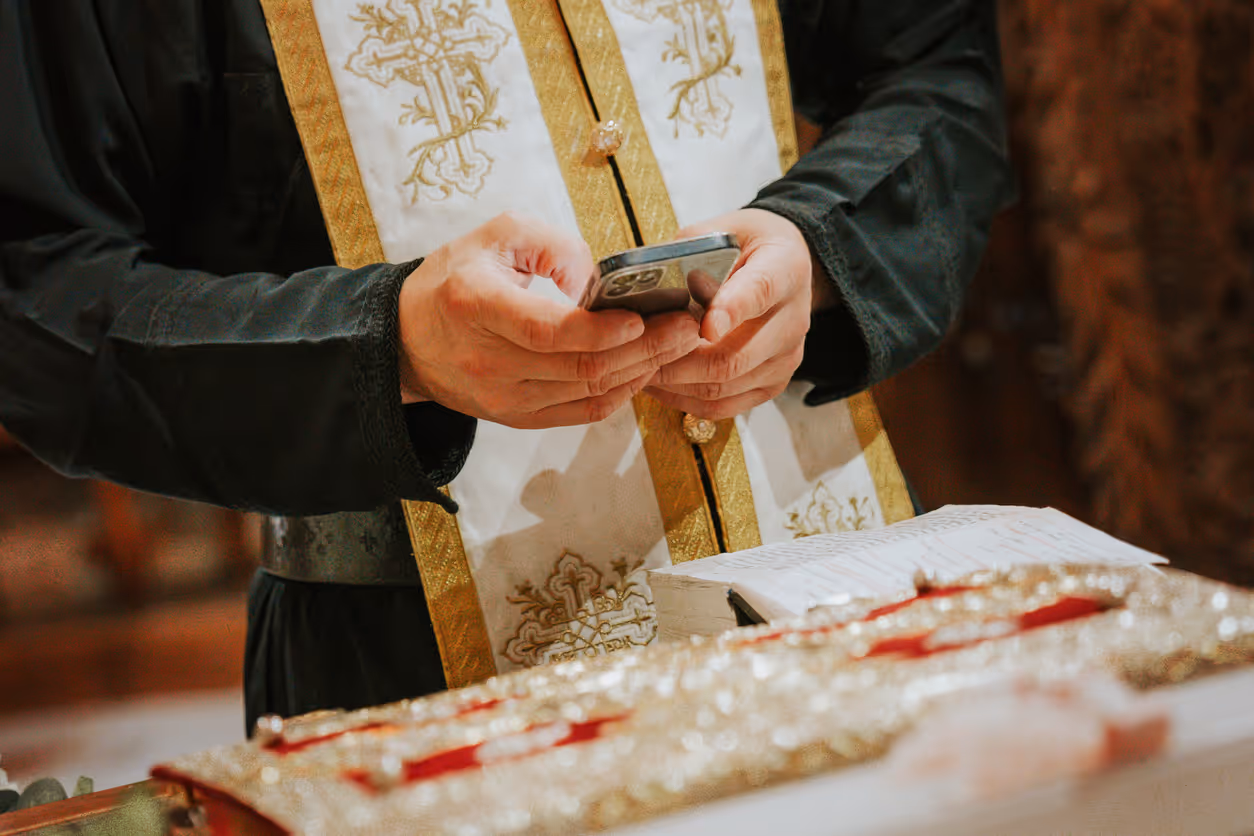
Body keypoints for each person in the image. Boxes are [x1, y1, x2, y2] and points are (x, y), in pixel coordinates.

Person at [0, 0, 1012, 729]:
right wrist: (385, 341)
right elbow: (36, 292)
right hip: (406, 680)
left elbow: (937, 66)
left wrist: (816, 247)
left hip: (833, 593)